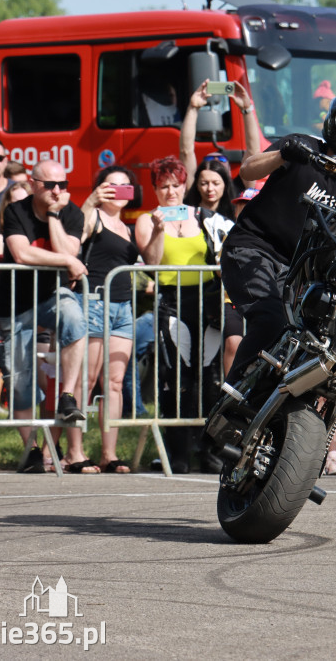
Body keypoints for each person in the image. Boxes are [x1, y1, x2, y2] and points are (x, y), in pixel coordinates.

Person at [221, 92, 336, 383]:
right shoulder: (307, 148)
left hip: (298, 273)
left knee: (306, 341)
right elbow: (248, 169)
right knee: (271, 319)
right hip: (252, 251)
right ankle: (234, 392)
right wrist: (283, 153)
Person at [0, 160, 89, 472]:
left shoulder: (71, 212)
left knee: (75, 317)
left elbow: (71, 252)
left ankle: (66, 395)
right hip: (15, 304)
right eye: (50, 185)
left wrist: (53, 215)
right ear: (34, 183)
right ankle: (34, 451)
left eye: (63, 184)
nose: (58, 190)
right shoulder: (16, 211)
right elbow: (22, 253)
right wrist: (65, 260)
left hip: (50, 295)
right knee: (21, 383)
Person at [136, 156, 224, 474]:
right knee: (178, 379)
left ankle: (211, 449)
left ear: (184, 186)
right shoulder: (147, 219)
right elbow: (153, 262)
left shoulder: (202, 215)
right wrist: (160, 230)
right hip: (172, 302)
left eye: (175, 185)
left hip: (208, 301)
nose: (171, 192)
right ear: (155, 189)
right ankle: (178, 452)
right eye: (163, 187)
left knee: (212, 376)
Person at [70, 166, 145, 474]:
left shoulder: (127, 226)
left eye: (125, 185)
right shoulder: (94, 215)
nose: (119, 190)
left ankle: (109, 454)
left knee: (113, 384)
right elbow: (78, 239)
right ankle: (74, 452)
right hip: (93, 303)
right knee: (84, 381)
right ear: (100, 188)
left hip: (123, 308)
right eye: (111, 185)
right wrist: (90, 202)